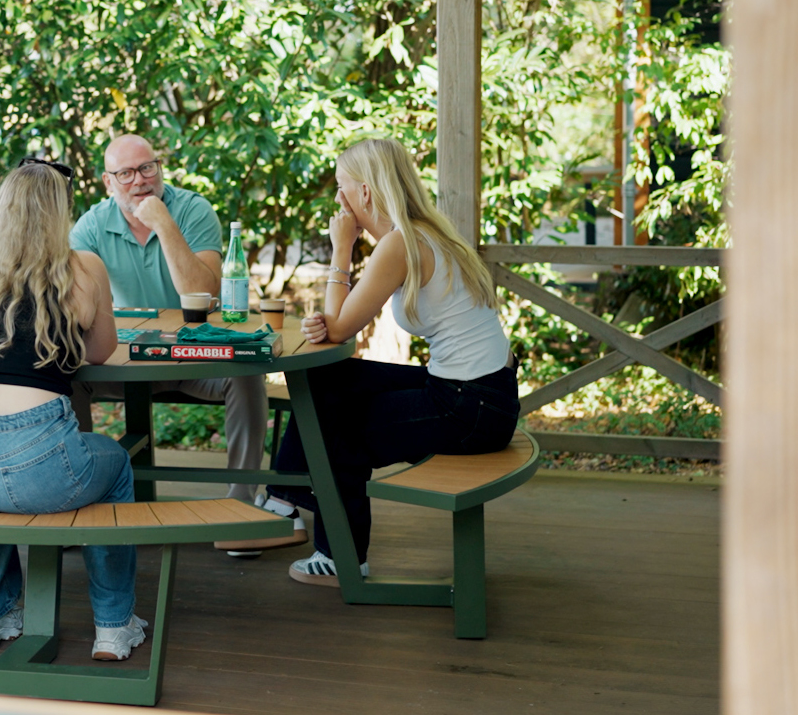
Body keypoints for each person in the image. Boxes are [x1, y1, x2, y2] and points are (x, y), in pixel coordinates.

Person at [265, 136, 519, 585]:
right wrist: (330, 322)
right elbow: (338, 325)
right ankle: (285, 492)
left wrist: (340, 247)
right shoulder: (427, 232)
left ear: (365, 191)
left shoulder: (400, 244)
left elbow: (340, 328)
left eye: (342, 187)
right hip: (483, 394)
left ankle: (335, 553)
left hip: (468, 407)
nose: (338, 200)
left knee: (338, 430)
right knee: (329, 377)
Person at [0, 158, 148, 661]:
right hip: (39, 468)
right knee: (115, 465)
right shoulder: (83, 268)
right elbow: (100, 352)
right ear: (60, 213)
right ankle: (114, 625)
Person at [69, 134, 270, 514]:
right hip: (123, 361)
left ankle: (243, 504)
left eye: (147, 168)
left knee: (247, 373)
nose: (140, 180)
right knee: (66, 377)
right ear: (107, 182)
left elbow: (204, 294)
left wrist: (163, 224)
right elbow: (76, 308)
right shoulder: (91, 226)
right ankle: (80, 499)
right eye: (126, 173)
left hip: (193, 356)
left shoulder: (192, 210)